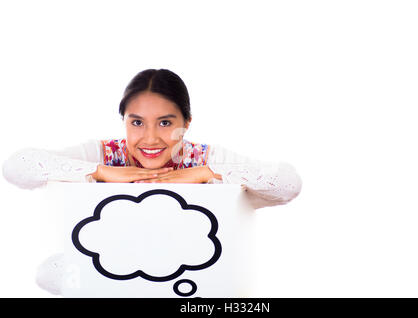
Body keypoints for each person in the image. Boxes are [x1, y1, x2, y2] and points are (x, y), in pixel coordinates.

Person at [2, 68, 302, 295]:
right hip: (116, 275)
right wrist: (100, 171)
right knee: (50, 273)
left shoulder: (207, 158)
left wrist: (207, 173)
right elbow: (17, 168)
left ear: (186, 124)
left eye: (166, 123)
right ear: (124, 121)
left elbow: (288, 184)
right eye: (136, 122)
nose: (150, 138)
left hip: (188, 284)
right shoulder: (104, 153)